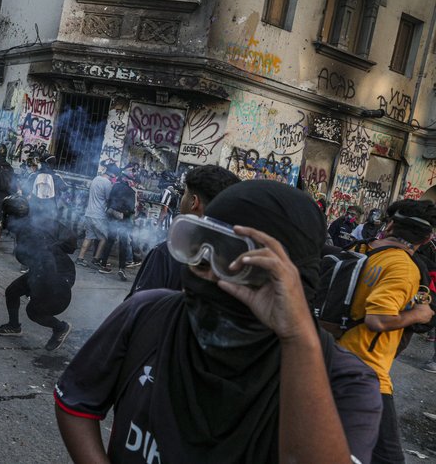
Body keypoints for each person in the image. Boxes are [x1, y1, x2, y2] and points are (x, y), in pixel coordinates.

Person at [55, 180, 383, 464]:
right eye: (201, 247)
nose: (206, 270)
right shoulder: (149, 314)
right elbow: (76, 402)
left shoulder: (345, 381)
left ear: (290, 276)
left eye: (233, 261)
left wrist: (297, 337)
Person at [336, 199, 436, 463]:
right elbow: (378, 320)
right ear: (427, 239)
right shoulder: (403, 266)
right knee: (388, 458)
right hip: (366, 371)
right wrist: (419, 314)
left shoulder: (359, 248)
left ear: (390, 225)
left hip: (330, 353)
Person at [128, 164, 239, 298]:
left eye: (185, 194)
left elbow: (139, 305)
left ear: (194, 202)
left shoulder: (168, 253)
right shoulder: (237, 262)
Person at [0, 195, 75, 351]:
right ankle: (14, 326)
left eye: (6, 214)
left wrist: (38, 288)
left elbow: (48, 260)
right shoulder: (33, 223)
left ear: (12, 216)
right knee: (12, 291)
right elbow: (69, 240)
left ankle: (60, 328)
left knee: (34, 311)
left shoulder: (29, 232)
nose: (4, 218)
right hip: (44, 270)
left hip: (57, 274)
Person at [97, 170, 138, 281]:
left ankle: (103, 264)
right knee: (123, 244)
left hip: (111, 216)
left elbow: (109, 200)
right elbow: (131, 209)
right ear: (129, 180)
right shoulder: (131, 192)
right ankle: (121, 269)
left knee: (110, 240)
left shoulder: (115, 186)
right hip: (123, 219)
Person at [75, 164, 117, 267]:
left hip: (89, 212)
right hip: (98, 214)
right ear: (112, 174)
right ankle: (96, 259)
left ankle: (80, 258)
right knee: (104, 238)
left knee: (89, 237)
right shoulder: (107, 183)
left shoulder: (96, 178)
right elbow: (108, 199)